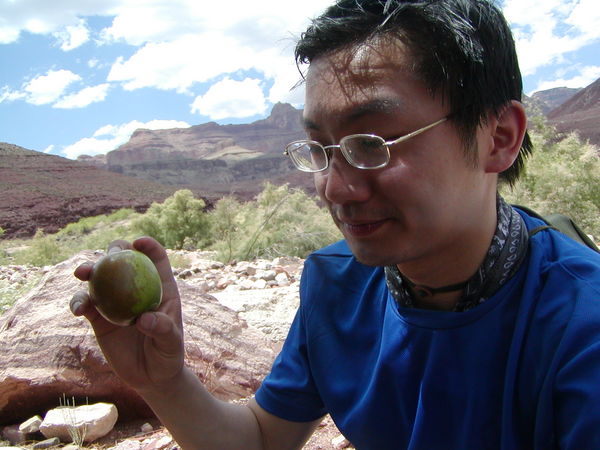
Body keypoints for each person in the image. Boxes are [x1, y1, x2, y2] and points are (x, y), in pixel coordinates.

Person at [71, 0, 600, 448]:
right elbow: (261, 438)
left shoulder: (581, 327)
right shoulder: (337, 282)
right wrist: (163, 382)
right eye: (319, 148)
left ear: (498, 137)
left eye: (372, 143)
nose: (334, 189)